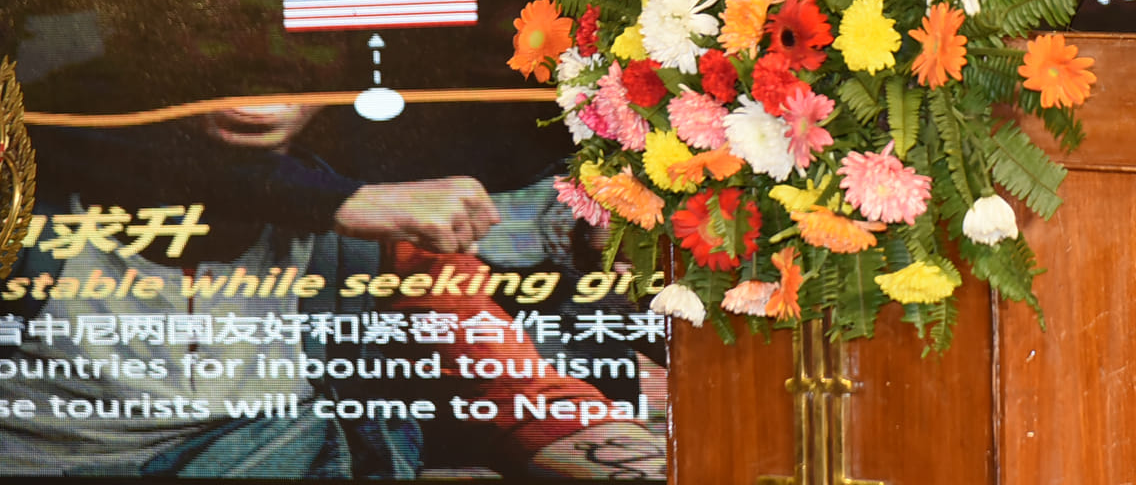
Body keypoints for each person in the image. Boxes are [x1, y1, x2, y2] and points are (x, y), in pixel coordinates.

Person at [5, 104, 663, 478]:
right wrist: (334, 200)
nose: (260, 98)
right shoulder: (27, 210)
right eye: (210, 50)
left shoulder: (382, 238)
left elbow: (516, 390)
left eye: (289, 61)